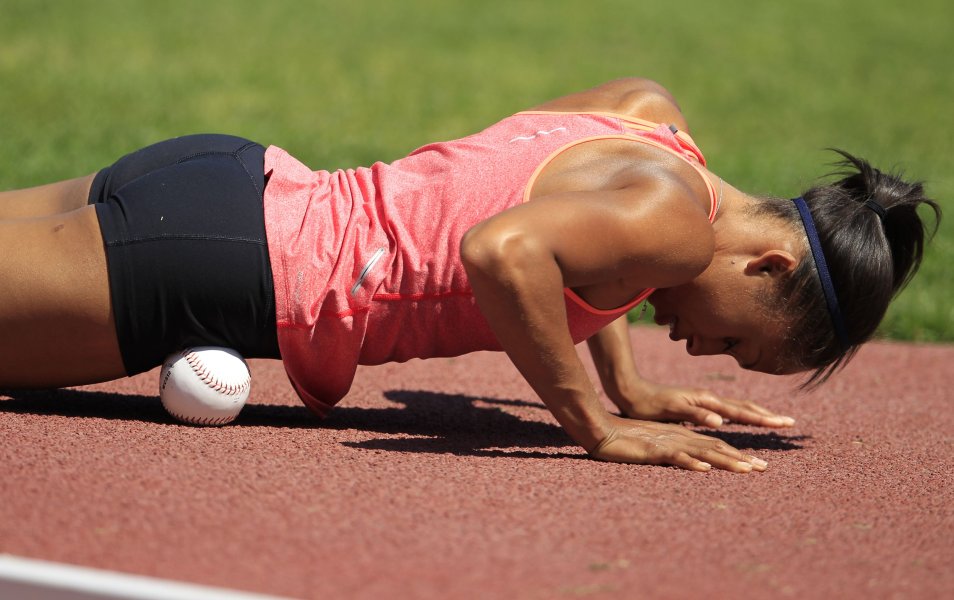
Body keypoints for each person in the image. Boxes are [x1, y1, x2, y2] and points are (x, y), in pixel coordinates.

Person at [0, 78, 939, 473]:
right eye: (739, 341)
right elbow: (506, 249)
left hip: (230, 180)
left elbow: (561, 223)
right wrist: (596, 427)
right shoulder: (680, 231)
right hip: (228, 269)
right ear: (770, 260)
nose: (704, 346)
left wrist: (629, 378)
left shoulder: (650, 120)